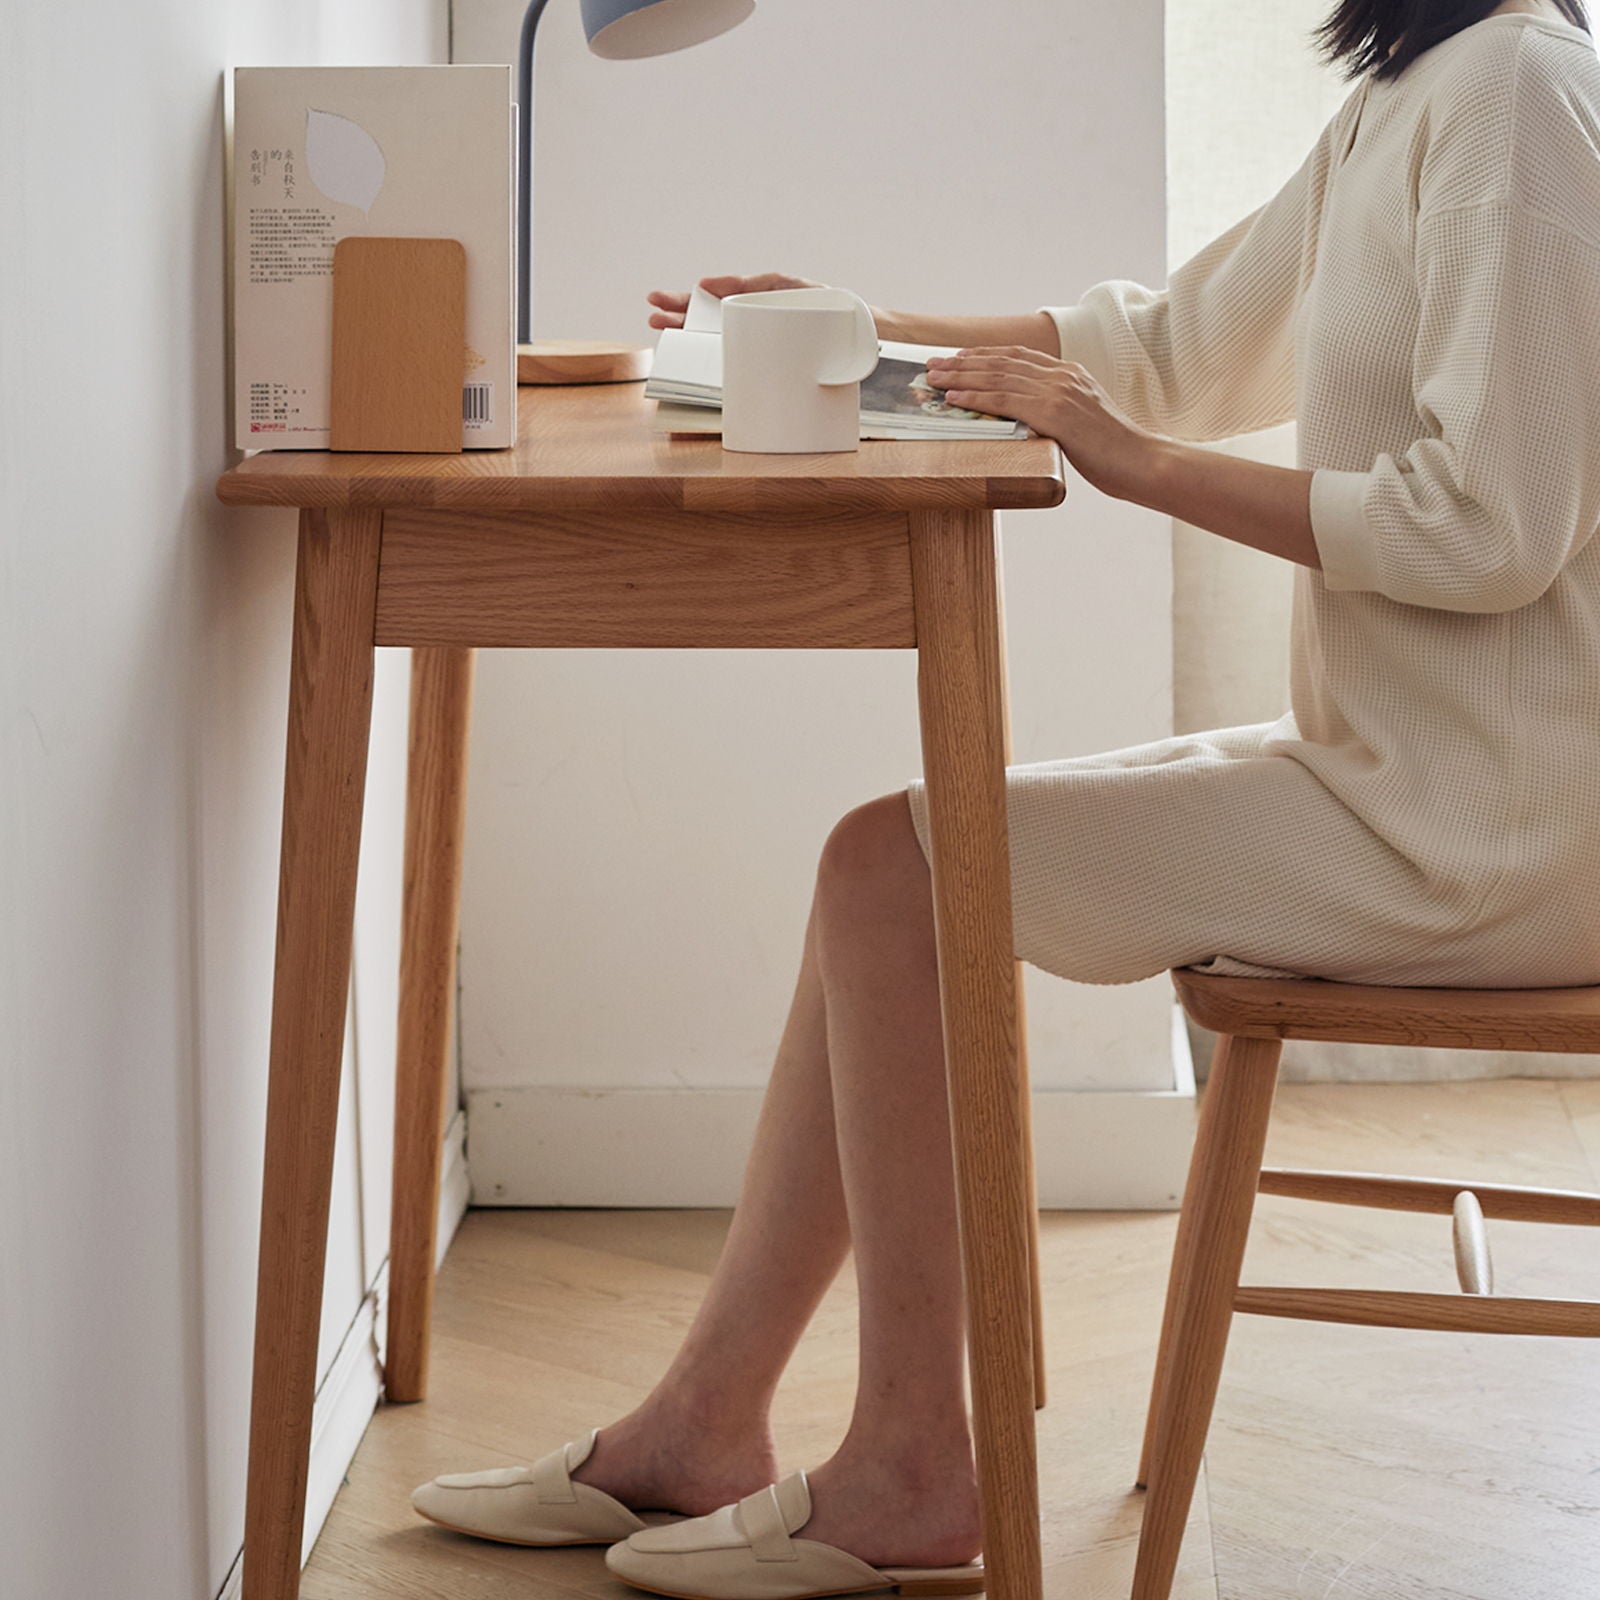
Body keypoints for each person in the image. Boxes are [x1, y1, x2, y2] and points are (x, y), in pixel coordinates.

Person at [412, 2, 1600, 1595]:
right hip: (1413, 781)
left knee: (899, 875)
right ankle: (706, 1426)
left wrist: (1134, 467)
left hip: (1501, 832)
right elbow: (1170, 350)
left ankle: (908, 1464)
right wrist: (864, 327)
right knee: (886, 864)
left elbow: (1490, 531)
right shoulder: (1420, 90)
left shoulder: (1519, 93)